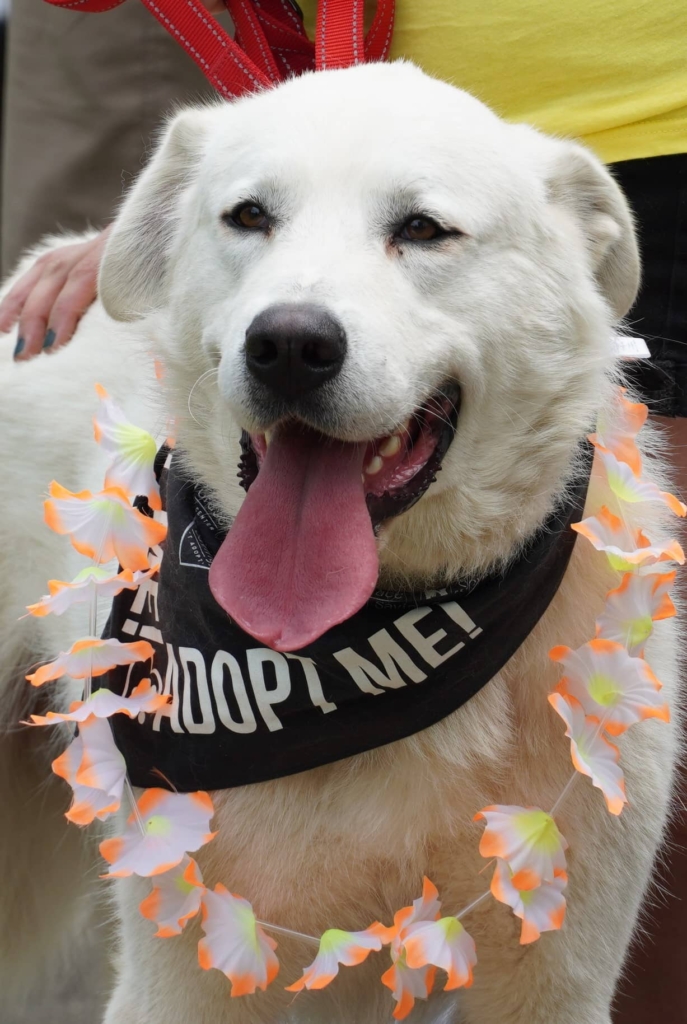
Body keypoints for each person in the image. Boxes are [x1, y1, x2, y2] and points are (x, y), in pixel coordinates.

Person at [0, 2, 685, 1020]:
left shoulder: (614, 622)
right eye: (249, 220)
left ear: (583, 254)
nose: (296, 317)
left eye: (420, 232)